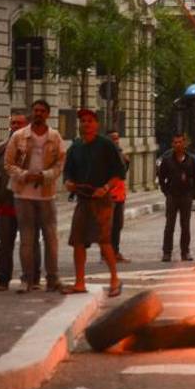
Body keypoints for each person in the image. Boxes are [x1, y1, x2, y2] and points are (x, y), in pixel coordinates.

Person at [62, 108, 127, 297]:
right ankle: (79, 282)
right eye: (83, 121)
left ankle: (115, 279)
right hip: (82, 199)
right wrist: (68, 182)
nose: (86, 124)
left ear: (96, 124)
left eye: (90, 121)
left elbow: (119, 172)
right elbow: (68, 171)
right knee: (78, 241)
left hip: (102, 200)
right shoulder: (75, 146)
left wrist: (105, 188)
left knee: (104, 241)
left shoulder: (106, 145)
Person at [4, 99, 66, 293]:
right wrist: (24, 175)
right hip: (23, 194)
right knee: (27, 238)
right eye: (35, 110)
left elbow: (60, 164)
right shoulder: (19, 136)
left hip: (46, 195)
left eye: (41, 111)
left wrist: (45, 176)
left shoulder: (55, 137)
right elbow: (8, 164)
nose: (38, 113)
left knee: (51, 238)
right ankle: (27, 279)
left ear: (47, 114)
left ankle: (53, 278)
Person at [0, 112, 35, 291]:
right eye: (12, 123)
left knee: (29, 243)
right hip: (6, 203)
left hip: (27, 202)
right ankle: (3, 279)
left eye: (19, 123)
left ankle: (30, 278)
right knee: (5, 244)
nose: (14, 126)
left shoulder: (33, 148)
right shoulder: (2, 148)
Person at [157, 133, 195, 262]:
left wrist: (192, 193)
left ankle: (185, 252)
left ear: (184, 143)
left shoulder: (191, 159)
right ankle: (166, 252)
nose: (178, 144)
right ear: (172, 144)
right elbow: (161, 178)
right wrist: (166, 191)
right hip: (172, 196)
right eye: (175, 142)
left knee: (185, 226)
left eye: (180, 142)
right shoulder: (167, 160)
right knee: (169, 226)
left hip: (186, 196)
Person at [106, 130, 132, 263]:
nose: (116, 141)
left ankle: (115, 252)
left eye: (117, 138)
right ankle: (107, 253)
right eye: (113, 138)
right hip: (109, 195)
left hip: (120, 195)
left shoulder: (120, 154)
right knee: (108, 227)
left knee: (118, 225)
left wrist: (126, 162)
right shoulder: (105, 155)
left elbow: (123, 174)